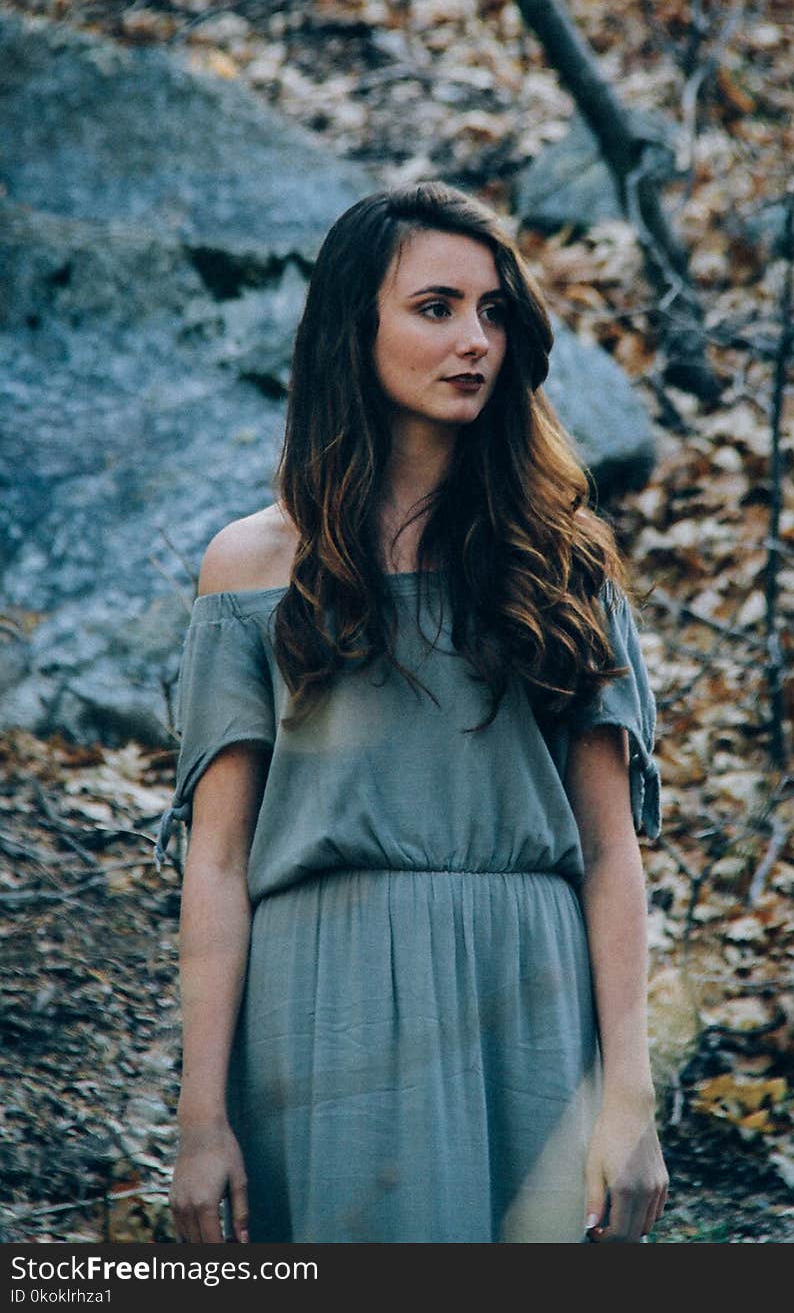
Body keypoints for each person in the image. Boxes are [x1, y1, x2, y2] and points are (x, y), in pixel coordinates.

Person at [155, 181, 668, 1244]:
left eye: (491, 313)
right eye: (434, 308)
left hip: (524, 1003)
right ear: (356, 327)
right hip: (318, 1012)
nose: (472, 340)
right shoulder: (250, 568)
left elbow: (612, 852)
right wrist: (199, 1119)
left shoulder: (560, 562)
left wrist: (628, 1096)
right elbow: (217, 861)